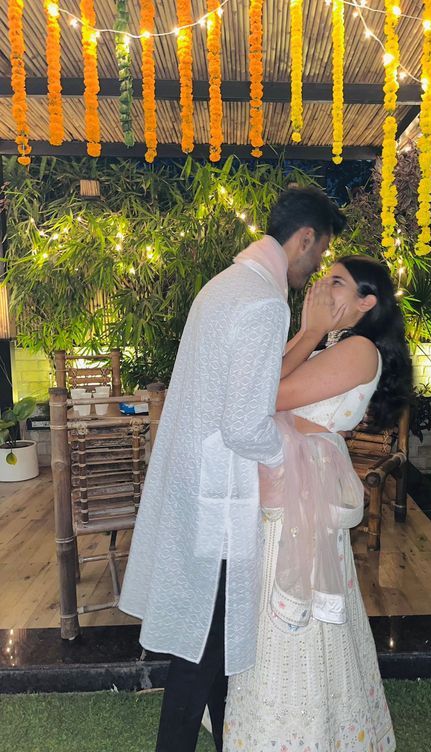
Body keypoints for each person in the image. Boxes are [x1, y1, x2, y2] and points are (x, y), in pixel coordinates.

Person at [118, 186, 347, 752]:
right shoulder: (265, 302)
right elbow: (247, 423)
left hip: (198, 486)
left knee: (209, 649)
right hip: (220, 499)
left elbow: (239, 397)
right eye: (319, 255)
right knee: (204, 652)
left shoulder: (224, 286)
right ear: (305, 239)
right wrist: (293, 461)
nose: (317, 268)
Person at [223, 255, 412, 752]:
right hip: (287, 487)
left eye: (338, 282)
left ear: (367, 302)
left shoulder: (358, 349)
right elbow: (258, 384)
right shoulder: (334, 344)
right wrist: (309, 333)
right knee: (273, 600)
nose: (324, 287)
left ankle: (305, 735)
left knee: (296, 607)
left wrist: (307, 332)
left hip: (299, 494)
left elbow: (267, 397)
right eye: (326, 277)